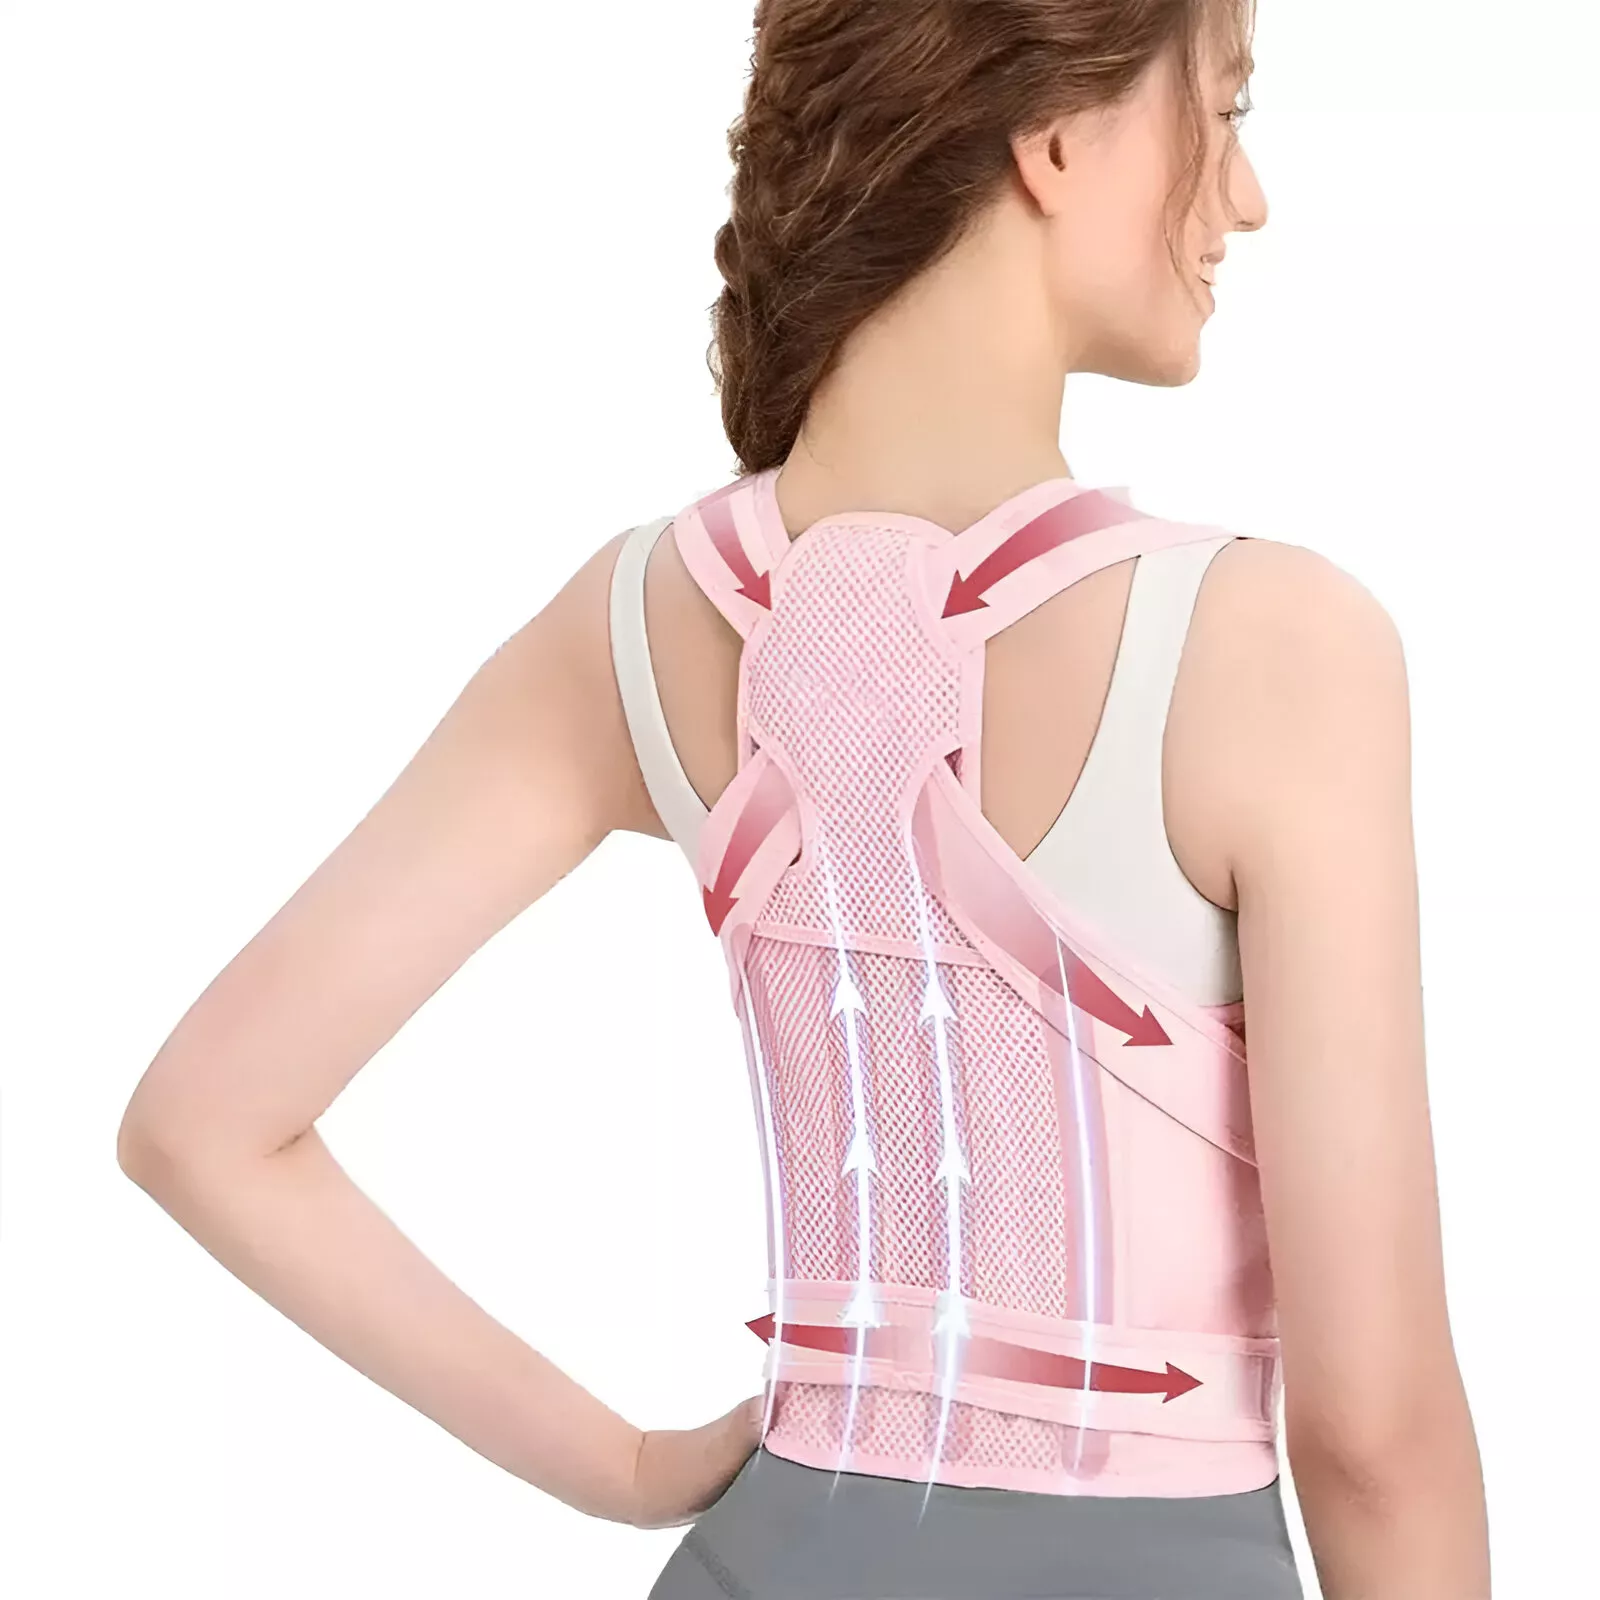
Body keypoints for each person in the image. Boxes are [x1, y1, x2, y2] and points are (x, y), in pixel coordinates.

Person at [116, 1, 1490, 1596]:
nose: (1244, 198)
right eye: (1228, 109)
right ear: (1056, 138)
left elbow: (205, 1125)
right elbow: (1374, 1438)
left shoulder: (633, 623)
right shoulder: (1279, 649)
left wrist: (630, 1470)